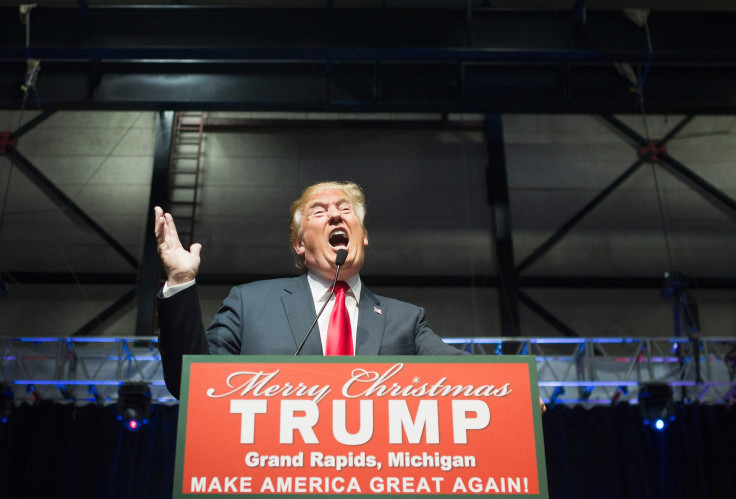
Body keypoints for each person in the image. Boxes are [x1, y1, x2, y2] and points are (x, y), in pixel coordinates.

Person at [155, 181, 467, 399]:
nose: (335, 215)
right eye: (319, 212)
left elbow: (472, 378)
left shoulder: (406, 320)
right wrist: (181, 280)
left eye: (345, 209)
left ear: (364, 236)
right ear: (300, 245)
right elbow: (190, 382)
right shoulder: (250, 304)